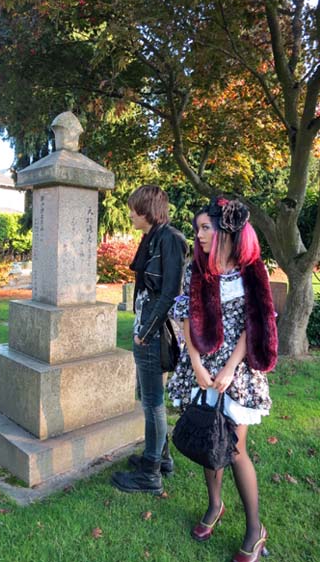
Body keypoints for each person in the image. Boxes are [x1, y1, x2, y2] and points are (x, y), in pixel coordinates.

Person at [167, 198, 276, 562]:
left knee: (234, 448)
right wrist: (197, 365)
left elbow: (254, 324)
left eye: (204, 228)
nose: (197, 235)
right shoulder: (195, 269)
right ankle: (215, 506)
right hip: (203, 367)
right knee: (206, 437)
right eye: (197, 228)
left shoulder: (251, 272)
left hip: (238, 371)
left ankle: (254, 528)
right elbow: (185, 317)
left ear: (225, 231)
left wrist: (229, 368)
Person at [111, 185, 187, 495]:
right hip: (145, 330)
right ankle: (160, 458)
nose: (129, 213)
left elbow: (169, 292)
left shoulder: (170, 240)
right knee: (147, 396)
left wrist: (146, 331)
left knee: (153, 402)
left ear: (147, 210)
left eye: (133, 208)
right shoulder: (153, 239)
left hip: (152, 335)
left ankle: (150, 473)